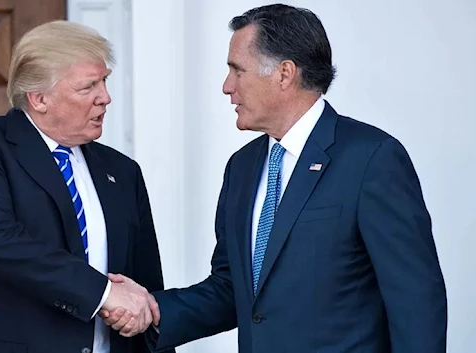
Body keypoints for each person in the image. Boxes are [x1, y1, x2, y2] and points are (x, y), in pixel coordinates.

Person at [101, 4, 448, 353]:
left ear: (284, 74)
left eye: (237, 70)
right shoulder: (242, 166)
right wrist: (154, 311)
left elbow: (416, 300)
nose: (227, 87)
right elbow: (232, 289)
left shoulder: (371, 158)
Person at [0, 20, 172, 353]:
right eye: (88, 86)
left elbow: (144, 285)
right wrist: (102, 293)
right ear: (39, 98)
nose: (105, 97)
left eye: (104, 81)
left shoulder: (122, 170)